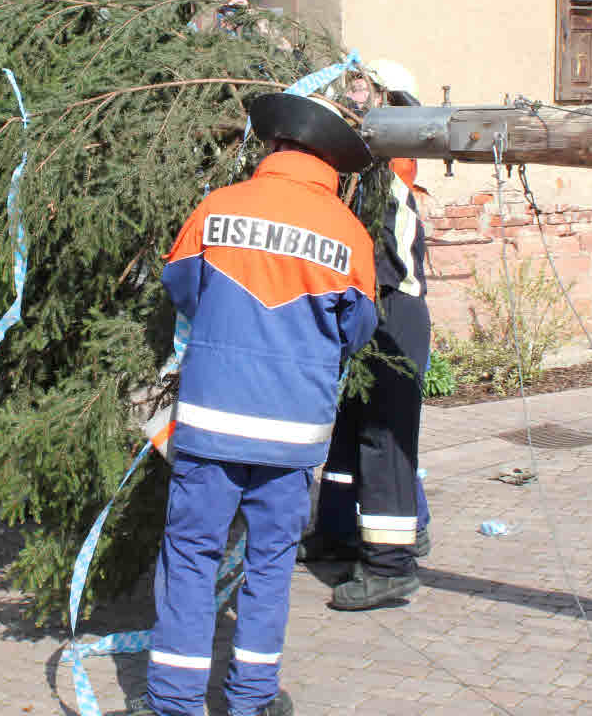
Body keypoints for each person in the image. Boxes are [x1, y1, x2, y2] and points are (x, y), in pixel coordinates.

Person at [129, 92, 379, 716]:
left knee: (190, 557)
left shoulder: (218, 207)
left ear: (274, 143)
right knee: (269, 566)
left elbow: (182, 287)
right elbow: (357, 330)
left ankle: (176, 703)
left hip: (211, 423)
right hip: (294, 433)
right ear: (331, 160)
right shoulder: (349, 235)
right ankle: (253, 700)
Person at [304, 59, 437, 612]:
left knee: (384, 440)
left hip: (392, 311)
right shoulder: (368, 166)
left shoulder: (387, 168)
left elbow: (373, 258)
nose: (354, 96)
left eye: (363, 89)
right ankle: (337, 532)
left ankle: (389, 567)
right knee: (349, 433)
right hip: (371, 308)